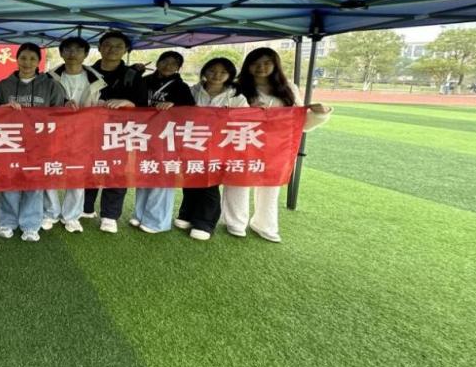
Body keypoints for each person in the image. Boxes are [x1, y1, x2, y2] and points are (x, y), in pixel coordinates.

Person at [224, 47, 332, 242]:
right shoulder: (235, 87)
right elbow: (223, 116)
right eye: (256, 63)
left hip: (276, 146)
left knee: (271, 183)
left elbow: (299, 122)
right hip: (243, 141)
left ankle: (264, 224)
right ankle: (235, 222)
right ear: (248, 65)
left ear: (276, 65)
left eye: (267, 63)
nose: (261, 67)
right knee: (238, 180)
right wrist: (248, 111)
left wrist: (319, 113)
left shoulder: (288, 88)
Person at [0, 43, 66, 242]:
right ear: (16, 59)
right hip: (10, 143)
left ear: (39, 62)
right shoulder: (3, 86)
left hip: (40, 145)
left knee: (34, 186)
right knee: (9, 184)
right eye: (23, 58)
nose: (27, 62)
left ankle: (31, 225)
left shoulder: (51, 86)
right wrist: (3, 108)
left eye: (33, 58)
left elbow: (60, 113)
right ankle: (7, 222)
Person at [176, 57, 248, 241]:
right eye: (212, 71)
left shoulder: (236, 97)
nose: (217, 75)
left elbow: (246, 120)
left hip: (219, 146)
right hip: (192, 143)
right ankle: (187, 214)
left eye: (223, 72)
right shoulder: (192, 91)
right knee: (191, 179)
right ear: (204, 72)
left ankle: (204, 223)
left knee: (210, 183)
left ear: (230, 75)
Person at [126, 51, 196, 234]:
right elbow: (133, 98)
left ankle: (157, 221)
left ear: (178, 68)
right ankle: (140, 214)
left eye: (174, 63)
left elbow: (190, 111)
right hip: (144, 135)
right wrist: (135, 71)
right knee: (145, 173)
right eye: (165, 61)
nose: (168, 65)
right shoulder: (144, 81)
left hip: (168, 137)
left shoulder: (181, 87)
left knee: (163, 178)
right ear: (157, 62)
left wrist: (174, 106)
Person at [43, 36, 106, 233]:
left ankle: (72, 216)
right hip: (54, 133)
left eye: (78, 50)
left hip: (84, 135)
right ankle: (50, 213)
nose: (73, 54)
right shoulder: (48, 77)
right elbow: (42, 104)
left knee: (77, 176)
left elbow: (103, 107)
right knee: (50, 172)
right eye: (68, 49)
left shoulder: (97, 80)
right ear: (61, 53)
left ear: (86, 54)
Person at [86, 31, 146, 232]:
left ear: (126, 50)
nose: (112, 49)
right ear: (99, 47)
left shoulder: (133, 76)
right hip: (89, 130)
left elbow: (143, 106)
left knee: (116, 172)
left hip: (119, 132)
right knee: (88, 169)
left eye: (118, 46)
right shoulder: (87, 72)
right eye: (108, 45)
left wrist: (128, 102)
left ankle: (110, 216)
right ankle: (85, 208)